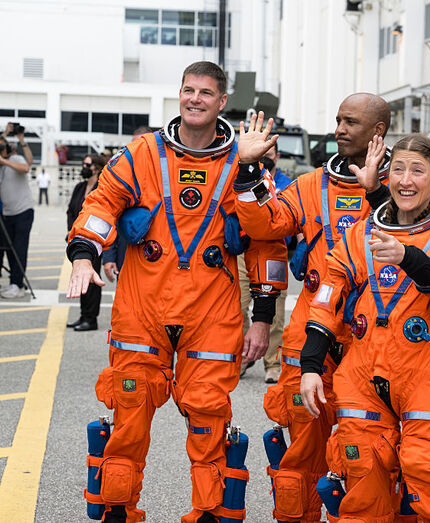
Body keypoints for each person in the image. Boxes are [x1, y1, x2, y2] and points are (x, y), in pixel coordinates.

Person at [66, 61, 286, 523]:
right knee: (128, 415)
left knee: (209, 419)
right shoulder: (142, 154)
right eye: (189, 90)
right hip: (142, 307)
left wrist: (262, 317)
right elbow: (102, 202)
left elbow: (266, 239)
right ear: (179, 94)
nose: (196, 99)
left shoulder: (243, 163)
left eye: (206, 93)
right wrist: (84, 251)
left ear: (222, 101)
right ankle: (117, 512)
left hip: (211, 312)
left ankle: (209, 514)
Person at [298, 134, 430, 521]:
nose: (406, 180)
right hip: (362, 374)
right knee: (361, 474)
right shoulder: (359, 234)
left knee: (425, 472)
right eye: (398, 169)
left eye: (418, 171)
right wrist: (311, 367)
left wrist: (408, 257)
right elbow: (326, 301)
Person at [232, 93, 392, 523]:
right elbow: (264, 223)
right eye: (338, 119)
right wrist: (248, 168)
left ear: (378, 131)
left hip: (375, 339)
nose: (339, 128)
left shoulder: (404, 184)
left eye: (351, 122)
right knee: (302, 449)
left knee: (366, 453)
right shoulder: (310, 185)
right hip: (312, 333)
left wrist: (378, 189)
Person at [237, 139, 294, 383]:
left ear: (277, 156)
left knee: (275, 312)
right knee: (236, 305)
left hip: (275, 249)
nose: (264, 156)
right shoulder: (242, 176)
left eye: (269, 153)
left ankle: (272, 363)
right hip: (242, 249)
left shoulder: (287, 184)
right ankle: (242, 356)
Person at [103, 126, 155, 283]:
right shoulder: (122, 179)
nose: (135, 150)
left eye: (140, 144)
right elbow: (110, 216)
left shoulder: (169, 177)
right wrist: (108, 257)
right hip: (126, 259)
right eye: (132, 145)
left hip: (159, 262)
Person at [65, 154, 106, 331]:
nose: (84, 166)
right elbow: (71, 211)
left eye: (87, 164)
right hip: (77, 238)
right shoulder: (80, 186)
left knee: (92, 279)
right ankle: (83, 315)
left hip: (95, 241)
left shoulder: (101, 187)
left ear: (96, 167)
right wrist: (71, 231)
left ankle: (91, 318)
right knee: (81, 277)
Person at [0, 132, 34, 299]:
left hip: (23, 211)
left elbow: (26, 168)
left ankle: (18, 285)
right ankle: (13, 282)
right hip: (7, 213)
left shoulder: (16, 160)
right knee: (9, 250)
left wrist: (4, 160)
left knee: (19, 249)